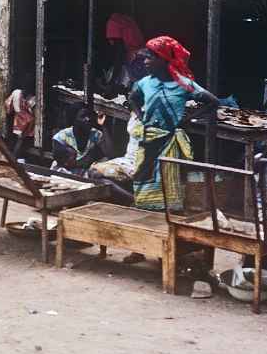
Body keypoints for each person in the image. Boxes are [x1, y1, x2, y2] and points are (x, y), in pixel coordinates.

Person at [129, 36, 219, 212]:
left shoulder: (183, 84)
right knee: (143, 176)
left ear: (164, 59)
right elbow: (132, 98)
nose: (146, 62)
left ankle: (168, 217)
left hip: (169, 141)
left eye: (150, 57)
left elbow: (213, 102)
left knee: (167, 181)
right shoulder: (145, 83)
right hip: (148, 139)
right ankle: (145, 213)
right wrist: (140, 116)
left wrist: (187, 120)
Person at [52, 105, 111, 177]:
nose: (88, 119)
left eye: (89, 116)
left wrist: (104, 126)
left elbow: (109, 154)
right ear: (74, 120)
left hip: (84, 172)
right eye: (83, 116)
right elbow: (60, 161)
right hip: (66, 171)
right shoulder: (61, 137)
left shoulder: (96, 134)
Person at [102, 13, 145, 93]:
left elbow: (120, 54)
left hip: (135, 58)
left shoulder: (114, 22)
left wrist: (112, 82)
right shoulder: (126, 19)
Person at [5, 78, 36, 158]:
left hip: (16, 119)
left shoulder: (16, 92)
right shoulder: (33, 99)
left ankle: (11, 157)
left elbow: (8, 106)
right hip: (26, 121)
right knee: (20, 139)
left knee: (15, 139)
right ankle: (14, 157)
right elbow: (33, 111)